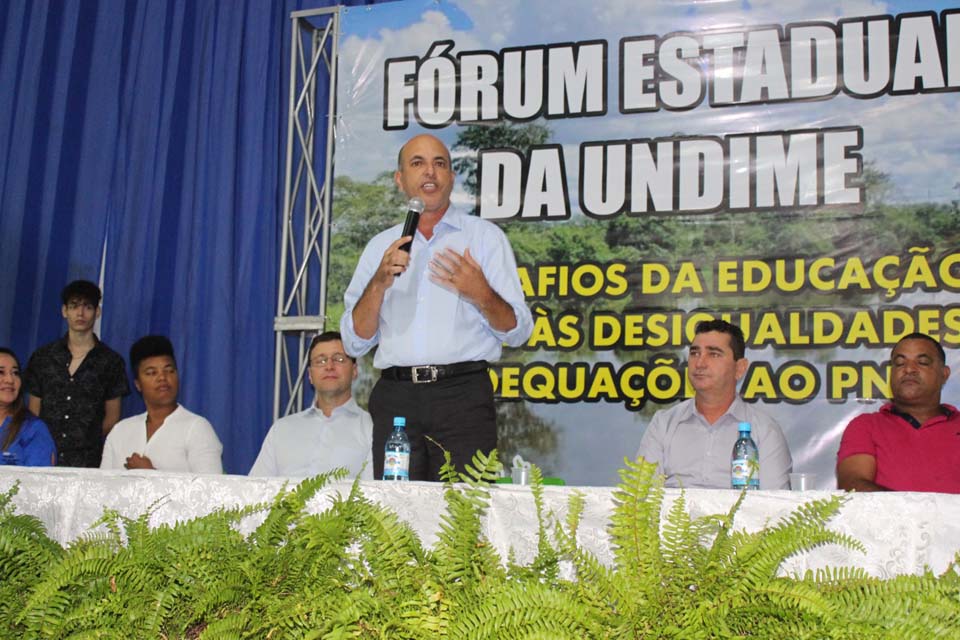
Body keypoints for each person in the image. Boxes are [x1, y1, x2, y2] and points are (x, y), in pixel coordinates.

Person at [340, 133, 533, 481]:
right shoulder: (379, 248)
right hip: (396, 401)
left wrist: (481, 293)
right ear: (400, 180)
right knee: (396, 521)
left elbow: (518, 331)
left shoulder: (484, 238)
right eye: (417, 163)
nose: (430, 172)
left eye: (439, 163)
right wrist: (379, 283)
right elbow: (355, 341)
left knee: (464, 523)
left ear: (451, 178)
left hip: (462, 398)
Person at [636, 319, 793, 489]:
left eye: (714, 354)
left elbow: (775, 507)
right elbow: (641, 499)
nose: (700, 363)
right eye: (695, 353)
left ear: (740, 368)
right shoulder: (663, 424)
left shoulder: (764, 431)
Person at [24, 280, 130, 467]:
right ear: (64, 311)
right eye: (74, 306)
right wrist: (40, 444)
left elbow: (113, 418)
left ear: (97, 312)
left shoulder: (111, 361)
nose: (80, 313)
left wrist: (87, 440)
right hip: (44, 457)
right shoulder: (43, 357)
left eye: (87, 307)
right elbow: (34, 411)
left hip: (89, 462)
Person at [837, 333, 960, 493]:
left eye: (922, 362)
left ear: (944, 374)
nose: (909, 369)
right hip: (885, 519)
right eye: (900, 363)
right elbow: (853, 485)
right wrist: (914, 514)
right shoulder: (866, 426)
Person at [250, 331, 373, 478]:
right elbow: (255, 489)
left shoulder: (371, 429)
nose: (329, 366)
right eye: (320, 361)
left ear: (354, 371)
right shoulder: (282, 429)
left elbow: (373, 495)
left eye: (338, 359)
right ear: (310, 375)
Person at [100, 336, 222, 473]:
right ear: (138, 385)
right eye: (152, 373)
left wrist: (151, 474)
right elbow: (103, 488)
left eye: (169, 370)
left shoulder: (197, 428)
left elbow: (210, 490)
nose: (162, 378)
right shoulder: (120, 431)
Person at [0, 348, 56, 466]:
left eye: (15, 373)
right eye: (1, 372)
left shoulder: (33, 429)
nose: (10, 380)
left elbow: (37, 481)